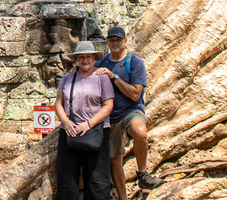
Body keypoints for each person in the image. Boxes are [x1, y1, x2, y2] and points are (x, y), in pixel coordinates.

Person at [95, 26, 163, 198]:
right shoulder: (101, 64)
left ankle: (142, 173)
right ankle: (123, 197)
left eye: (118, 39)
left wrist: (113, 76)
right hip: (110, 116)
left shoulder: (134, 63)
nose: (115, 43)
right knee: (115, 160)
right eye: (112, 40)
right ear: (107, 42)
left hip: (130, 111)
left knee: (140, 132)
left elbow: (135, 94)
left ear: (125, 41)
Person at [55, 41, 115, 200]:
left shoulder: (101, 77)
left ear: (94, 57)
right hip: (70, 131)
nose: (85, 60)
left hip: (96, 131)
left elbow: (108, 105)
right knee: (66, 179)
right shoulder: (68, 77)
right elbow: (58, 103)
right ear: (76, 59)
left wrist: (88, 124)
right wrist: (65, 122)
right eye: (81, 57)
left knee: (97, 180)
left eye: (88, 56)